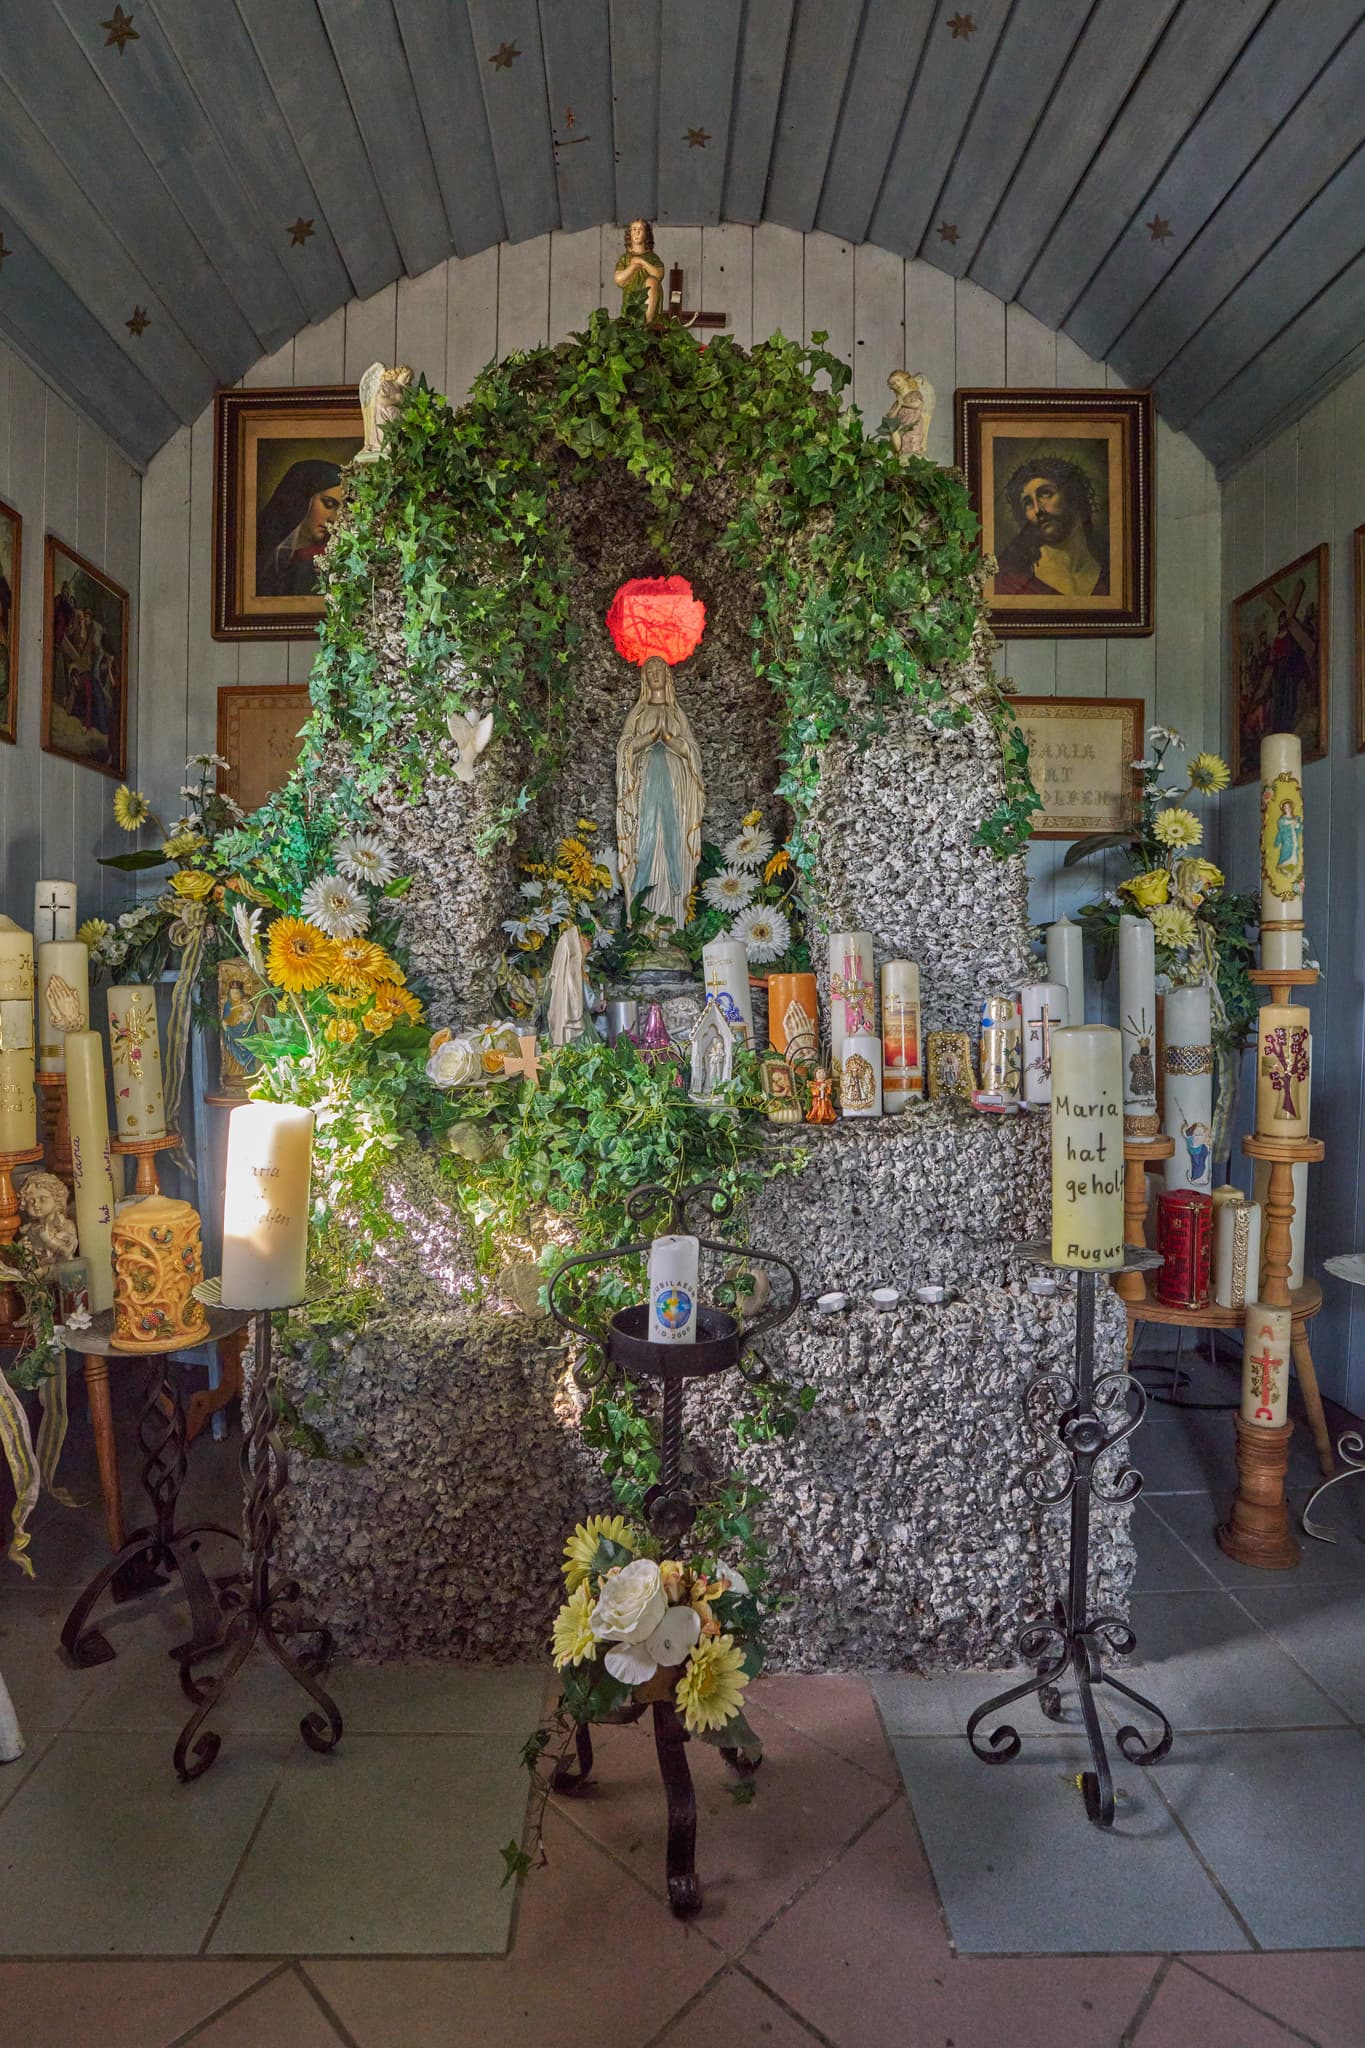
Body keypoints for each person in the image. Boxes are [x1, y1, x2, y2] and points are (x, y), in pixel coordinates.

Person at [615, 654, 704, 933]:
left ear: (667, 676)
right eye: (650, 671)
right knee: (647, 842)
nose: (655, 674)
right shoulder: (638, 713)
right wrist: (648, 738)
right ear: (644, 679)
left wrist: (669, 740)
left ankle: (673, 923)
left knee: (672, 844)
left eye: (659, 670)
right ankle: (645, 924)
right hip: (645, 792)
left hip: (675, 792)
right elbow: (624, 748)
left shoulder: (676, 714)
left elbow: (692, 752)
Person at [994, 456, 1108, 598]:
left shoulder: (1111, 570)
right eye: (1028, 503)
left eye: (1045, 493)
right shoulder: (1010, 582)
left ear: (1072, 495)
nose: (1037, 509)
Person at [256, 460, 346, 597]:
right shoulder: (258, 547)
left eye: (341, 509)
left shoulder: (328, 561)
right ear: (300, 498)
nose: (334, 519)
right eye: (328, 504)